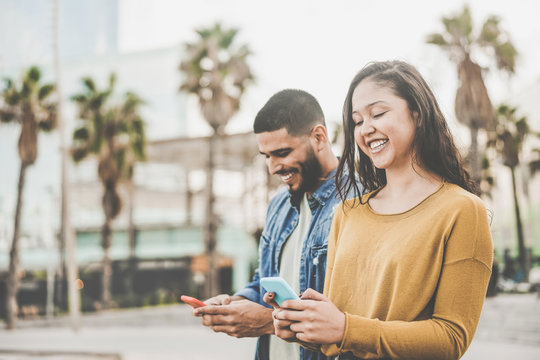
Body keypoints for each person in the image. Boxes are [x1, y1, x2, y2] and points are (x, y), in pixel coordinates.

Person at [266, 61, 494, 360]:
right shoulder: (347, 213)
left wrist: (346, 328)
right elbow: (338, 334)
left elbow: (451, 339)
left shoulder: (461, 210)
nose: (365, 129)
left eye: (378, 113)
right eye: (357, 120)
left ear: (417, 113)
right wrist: (304, 327)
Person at [193, 89, 348, 360]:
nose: (273, 167)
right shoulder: (279, 204)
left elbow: (359, 314)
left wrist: (267, 321)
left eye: (282, 152)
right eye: (266, 156)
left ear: (319, 137)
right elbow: (266, 281)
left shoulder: (358, 201)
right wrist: (235, 304)